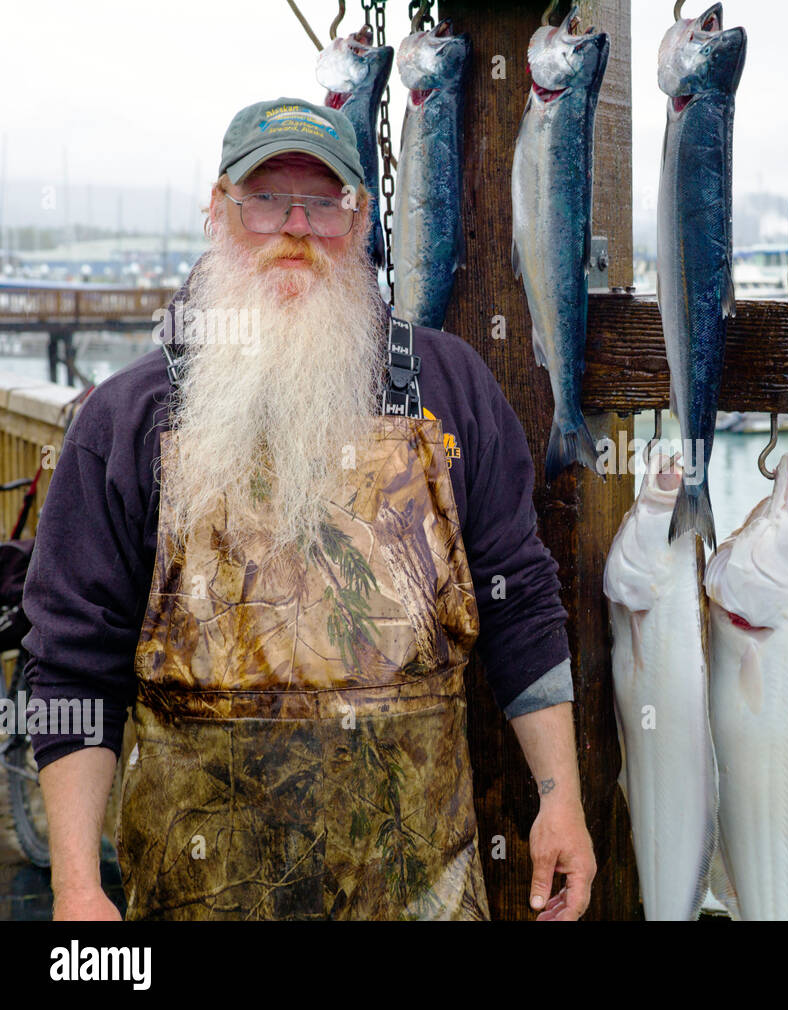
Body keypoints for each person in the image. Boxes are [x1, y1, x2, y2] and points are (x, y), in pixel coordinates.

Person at [24, 97, 596, 921]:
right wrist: (76, 883)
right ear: (219, 211)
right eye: (266, 198)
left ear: (360, 221)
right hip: (198, 896)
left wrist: (561, 800)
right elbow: (72, 662)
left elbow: (522, 606)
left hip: (421, 892)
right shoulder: (125, 418)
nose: (296, 225)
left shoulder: (453, 386)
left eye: (324, 202)